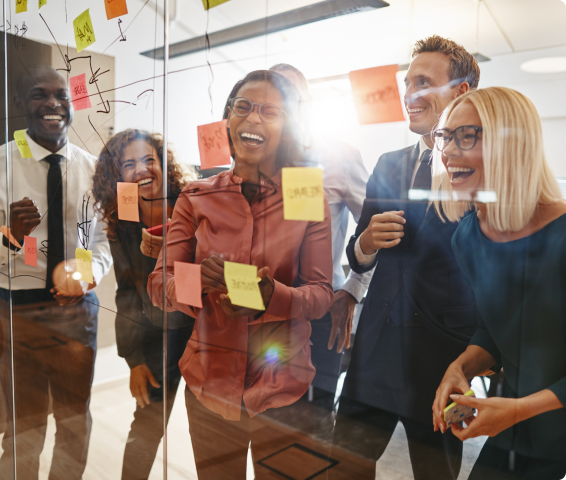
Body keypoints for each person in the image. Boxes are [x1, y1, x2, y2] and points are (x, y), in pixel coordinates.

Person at [148, 70, 333, 479]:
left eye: (270, 111)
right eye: (243, 107)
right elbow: (159, 285)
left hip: (283, 386)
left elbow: (321, 294)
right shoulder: (197, 195)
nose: (253, 119)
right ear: (227, 117)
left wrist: (273, 296)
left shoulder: (304, 194)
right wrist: (203, 282)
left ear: (288, 126)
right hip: (210, 383)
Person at [332, 36, 480, 479]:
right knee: (343, 466)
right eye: (407, 81)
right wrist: (368, 243)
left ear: (461, 92)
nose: (409, 93)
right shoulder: (387, 164)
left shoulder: (480, 170)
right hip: (374, 352)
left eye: (423, 81)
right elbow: (358, 257)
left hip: (443, 357)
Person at [431, 87, 566, 479]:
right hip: (515, 433)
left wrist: (519, 409)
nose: (448, 152)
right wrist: (460, 367)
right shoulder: (468, 236)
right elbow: (495, 328)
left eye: (466, 136)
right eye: (446, 137)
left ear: (513, 144)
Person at [0, 65, 112, 480]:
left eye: (62, 95)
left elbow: (103, 242)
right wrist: (10, 237)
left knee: (76, 420)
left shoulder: (93, 169)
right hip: (14, 309)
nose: (53, 104)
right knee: (24, 427)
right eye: (40, 94)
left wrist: (87, 273)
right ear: (21, 104)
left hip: (78, 309)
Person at [268, 63, 372, 435]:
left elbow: (374, 234)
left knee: (314, 425)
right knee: (269, 421)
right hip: (264, 311)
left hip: (319, 314)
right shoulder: (256, 159)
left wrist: (352, 290)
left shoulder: (339, 156)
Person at [91, 129, 197, 480]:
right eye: (129, 164)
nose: (142, 170)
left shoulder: (194, 201)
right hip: (156, 337)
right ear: (117, 175)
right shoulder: (123, 223)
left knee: (208, 428)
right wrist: (134, 360)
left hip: (203, 332)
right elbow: (127, 292)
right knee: (147, 425)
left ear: (164, 163)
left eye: (149, 159)